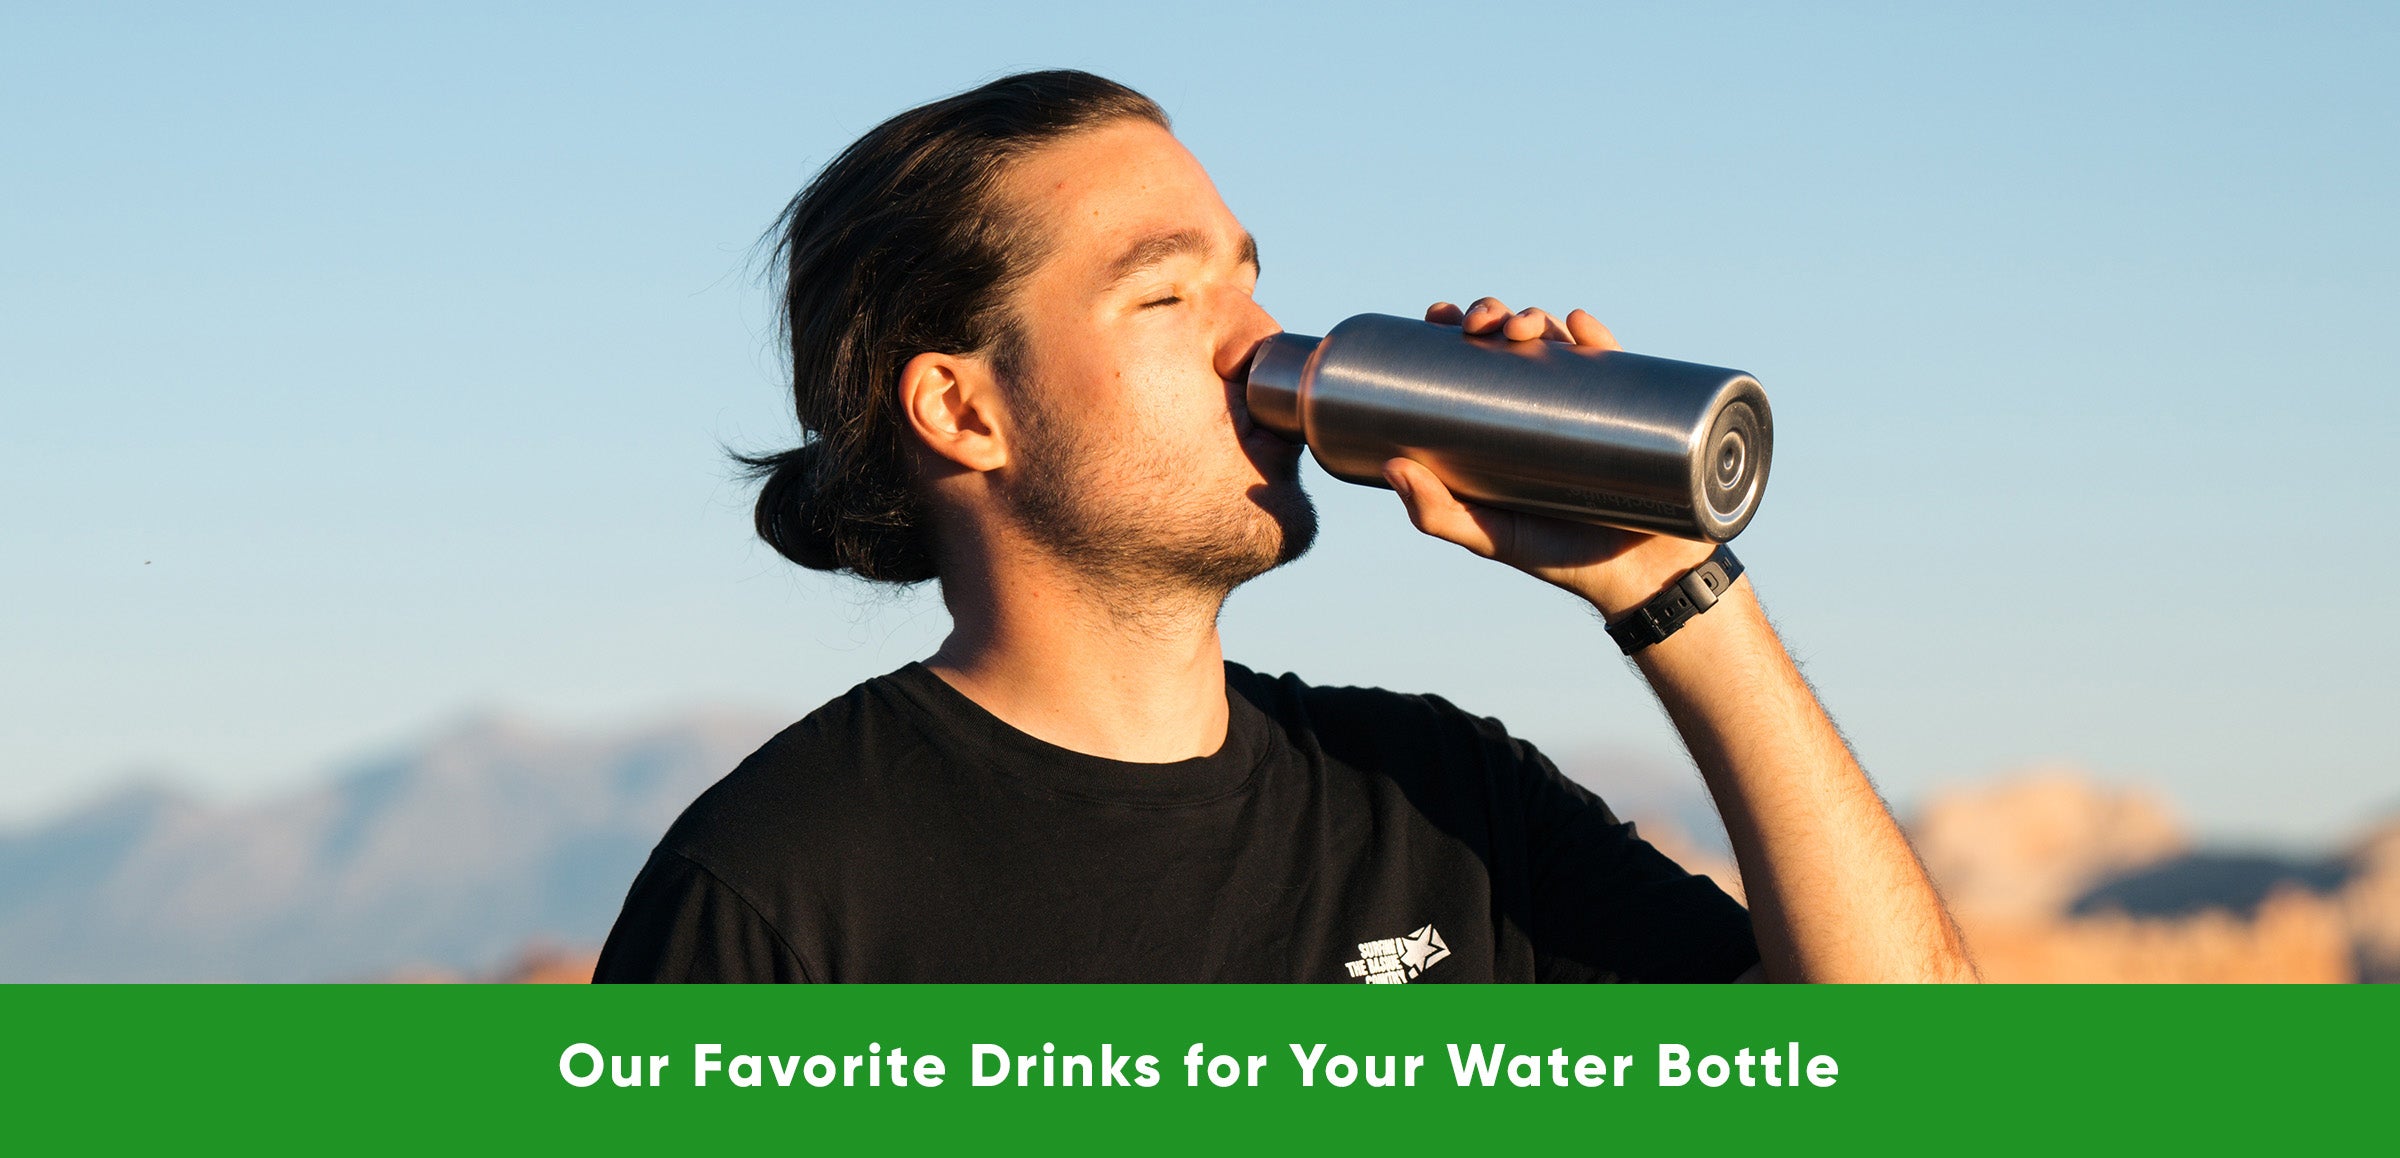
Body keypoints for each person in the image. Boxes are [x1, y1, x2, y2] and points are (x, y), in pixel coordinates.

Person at [593, 69, 1977, 984]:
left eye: (1251, 281)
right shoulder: (779, 887)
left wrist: (1671, 585)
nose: (1257, 343)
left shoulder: (1444, 803)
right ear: (964, 410)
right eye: (1165, 295)